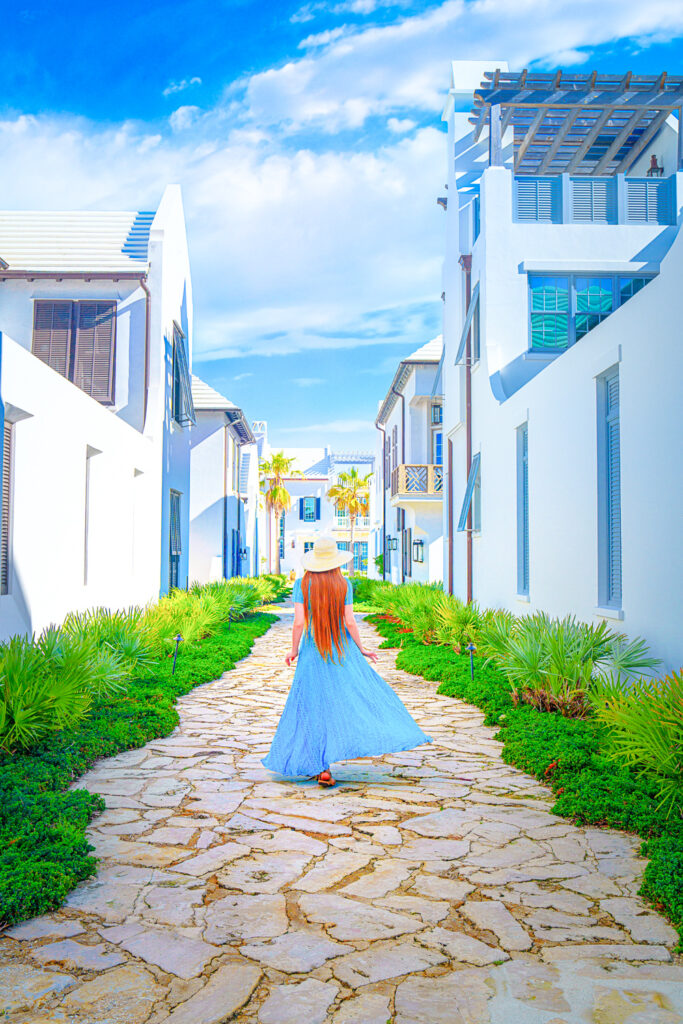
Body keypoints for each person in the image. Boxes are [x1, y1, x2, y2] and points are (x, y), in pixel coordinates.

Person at [262, 536, 432, 786]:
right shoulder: (344, 584)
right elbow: (349, 621)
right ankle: (367, 743)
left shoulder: (302, 583)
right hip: (341, 652)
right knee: (360, 698)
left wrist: (293, 650)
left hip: (312, 652)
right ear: (335, 561)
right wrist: (361, 648)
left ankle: (323, 768)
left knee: (312, 706)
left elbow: (298, 622)